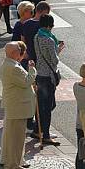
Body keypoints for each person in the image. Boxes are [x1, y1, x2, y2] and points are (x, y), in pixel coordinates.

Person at [0, 41, 36, 169]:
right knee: (16, 140)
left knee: (17, 139)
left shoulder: (10, 64)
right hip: (17, 108)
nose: (21, 52)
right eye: (19, 50)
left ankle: (16, 163)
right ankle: (12, 168)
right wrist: (32, 70)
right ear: (15, 53)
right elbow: (27, 81)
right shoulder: (13, 67)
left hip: (16, 107)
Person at [33, 13, 63, 145]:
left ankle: (37, 129)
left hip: (39, 74)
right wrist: (58, 49)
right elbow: (54, 61)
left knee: (41, 105)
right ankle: (45, 133)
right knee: (49, 105)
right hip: (48, 77)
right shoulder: (50, 41)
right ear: (49, 26)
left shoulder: (37, 37)